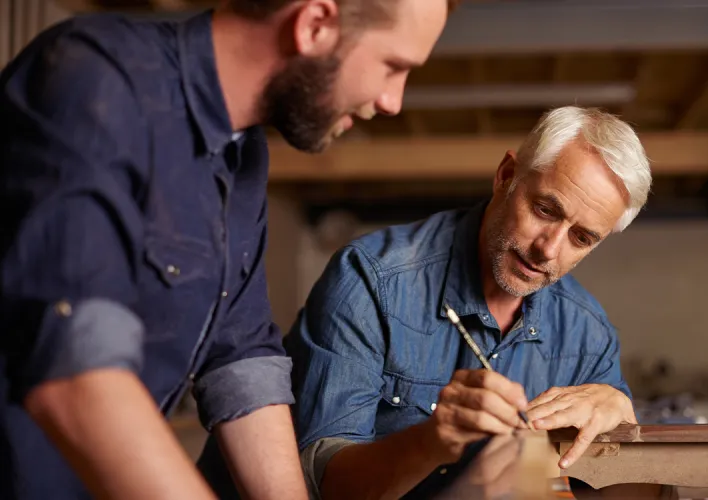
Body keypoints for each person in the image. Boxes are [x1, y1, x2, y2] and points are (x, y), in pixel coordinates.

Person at [0, 0, 454, 498]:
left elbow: (240, 358)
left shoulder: (242, 155)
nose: (393, 101)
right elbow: (75, 371)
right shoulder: (94, 80)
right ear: (314, 24)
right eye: (395, 67)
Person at [281, 106, 653, 499]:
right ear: (506, 176)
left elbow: (600, 487)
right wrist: (430, 442)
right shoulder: (371, 281)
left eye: (581, 239)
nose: (548, 250)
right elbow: (325, 486)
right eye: (545, 210)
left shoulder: (587, 333)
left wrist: (621, 419)